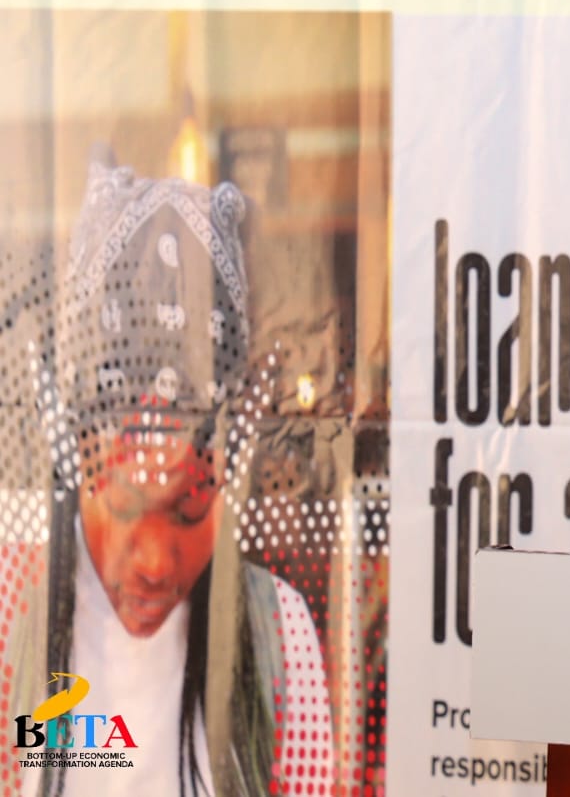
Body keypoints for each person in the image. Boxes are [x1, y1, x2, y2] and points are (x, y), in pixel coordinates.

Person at [2, 163, 331, 797]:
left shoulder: (280, 638)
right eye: (126, 504)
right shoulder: (8, 613)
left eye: (188, 509)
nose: (155, 561)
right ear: (74, 458)